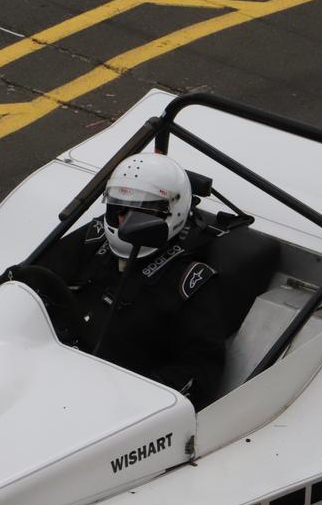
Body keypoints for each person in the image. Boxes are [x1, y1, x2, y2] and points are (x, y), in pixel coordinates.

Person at [34, 153, 278, 409]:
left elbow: (199, 372)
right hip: (52, 368)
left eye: (141, 213)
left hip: (111, 399)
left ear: (172, 212)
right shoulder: (94, 240)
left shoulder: (191, 283)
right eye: (118, 209)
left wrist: (133, 403)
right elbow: (34, 282)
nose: (124, 221)